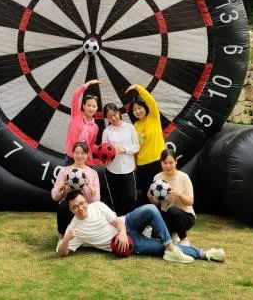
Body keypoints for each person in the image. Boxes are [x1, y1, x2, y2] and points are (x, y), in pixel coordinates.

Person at [56, 190, 225, 264]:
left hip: (127, 223)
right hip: (128, 243)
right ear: (71, 210)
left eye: (82, 203)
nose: (81, 207)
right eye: (76, 206)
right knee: (160, 248)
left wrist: (122, 231)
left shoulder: (97, 206)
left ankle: (170, 247)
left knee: (151, 209)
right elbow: (62, 253)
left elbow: (116, 222)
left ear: (86, 201)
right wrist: (67, 239)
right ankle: (206, 253)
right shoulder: (74, 228)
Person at [148, 148, 196, 245]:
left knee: (172, 210)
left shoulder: (184, 177)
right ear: (161, 163)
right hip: (167, 215)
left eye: (171, 162)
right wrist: (150, 196)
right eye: (165, 163)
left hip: (185, 217)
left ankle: (184, 239)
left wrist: (179, 194)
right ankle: (172, 234)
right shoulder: (157, 178)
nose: (168, 166)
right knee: (158, 240)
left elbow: (190, 202)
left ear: (176, 162)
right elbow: (157, 203)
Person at [51, 142, 100, 236]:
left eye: (83, 153)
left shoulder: (92, 173)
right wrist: (60, 188)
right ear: (72, 153)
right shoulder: (64, 171)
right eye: (77, 152)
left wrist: (90, 187)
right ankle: (64, 235)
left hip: (86, 204)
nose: (79, 156)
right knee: (63, 206)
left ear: (87, 155)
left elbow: (96, 200)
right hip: (69, 204)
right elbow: (54, 196)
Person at [127, 84, 165, 202]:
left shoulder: (153, 116)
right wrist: (135, 166)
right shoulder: (135, 126)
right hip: (142, 165)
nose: (137, 111)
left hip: (157, 161)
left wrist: (138, 88)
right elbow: (135, 147)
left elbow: (151, 100)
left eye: (139, 108)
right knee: (147, 194)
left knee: (162, 192)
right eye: (134, 110)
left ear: (145, 107)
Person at [100, 102, 139, 215]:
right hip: (112, 169)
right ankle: (120, 224)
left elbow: (137, 146)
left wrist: (125, 149)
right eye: (109, 117)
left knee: (131, 197)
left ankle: (128, 219)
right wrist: (106, 157)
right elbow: (103, 150)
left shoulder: (130, 127)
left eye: (115, 114)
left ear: (119, 112)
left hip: (128, 168)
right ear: (107, 118)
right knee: (116, 200)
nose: (113, 118)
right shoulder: (106, 131)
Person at [65, 78, 102, 165]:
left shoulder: (95, 127)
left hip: (85, 161)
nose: (91, 108)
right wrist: (88, 83)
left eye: (94, 106)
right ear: (83, 106)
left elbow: (91, 146)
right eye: (88, 105)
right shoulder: (76, 115)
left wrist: (102, 149)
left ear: (97, 108)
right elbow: (75, 96)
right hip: (71, 157)